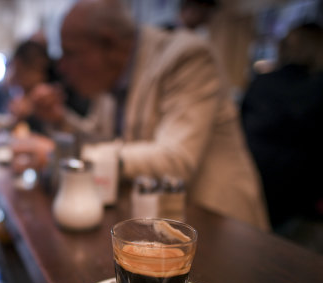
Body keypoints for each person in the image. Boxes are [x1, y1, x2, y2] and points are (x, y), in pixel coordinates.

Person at [33, 0, 269, 230]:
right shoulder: (110, 77)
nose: (61, 67)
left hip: (221, 227)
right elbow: (104, 142)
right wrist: (59, 119)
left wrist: (77, 155)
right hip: (157, 223)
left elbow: (176, 160)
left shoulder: (186, 56)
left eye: (70, 53)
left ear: (109, 44)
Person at [241, 23, 323, 232]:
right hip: (297, 186)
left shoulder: (261, 81)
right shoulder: (317, 88)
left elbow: (240, 127)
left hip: (253, 173)